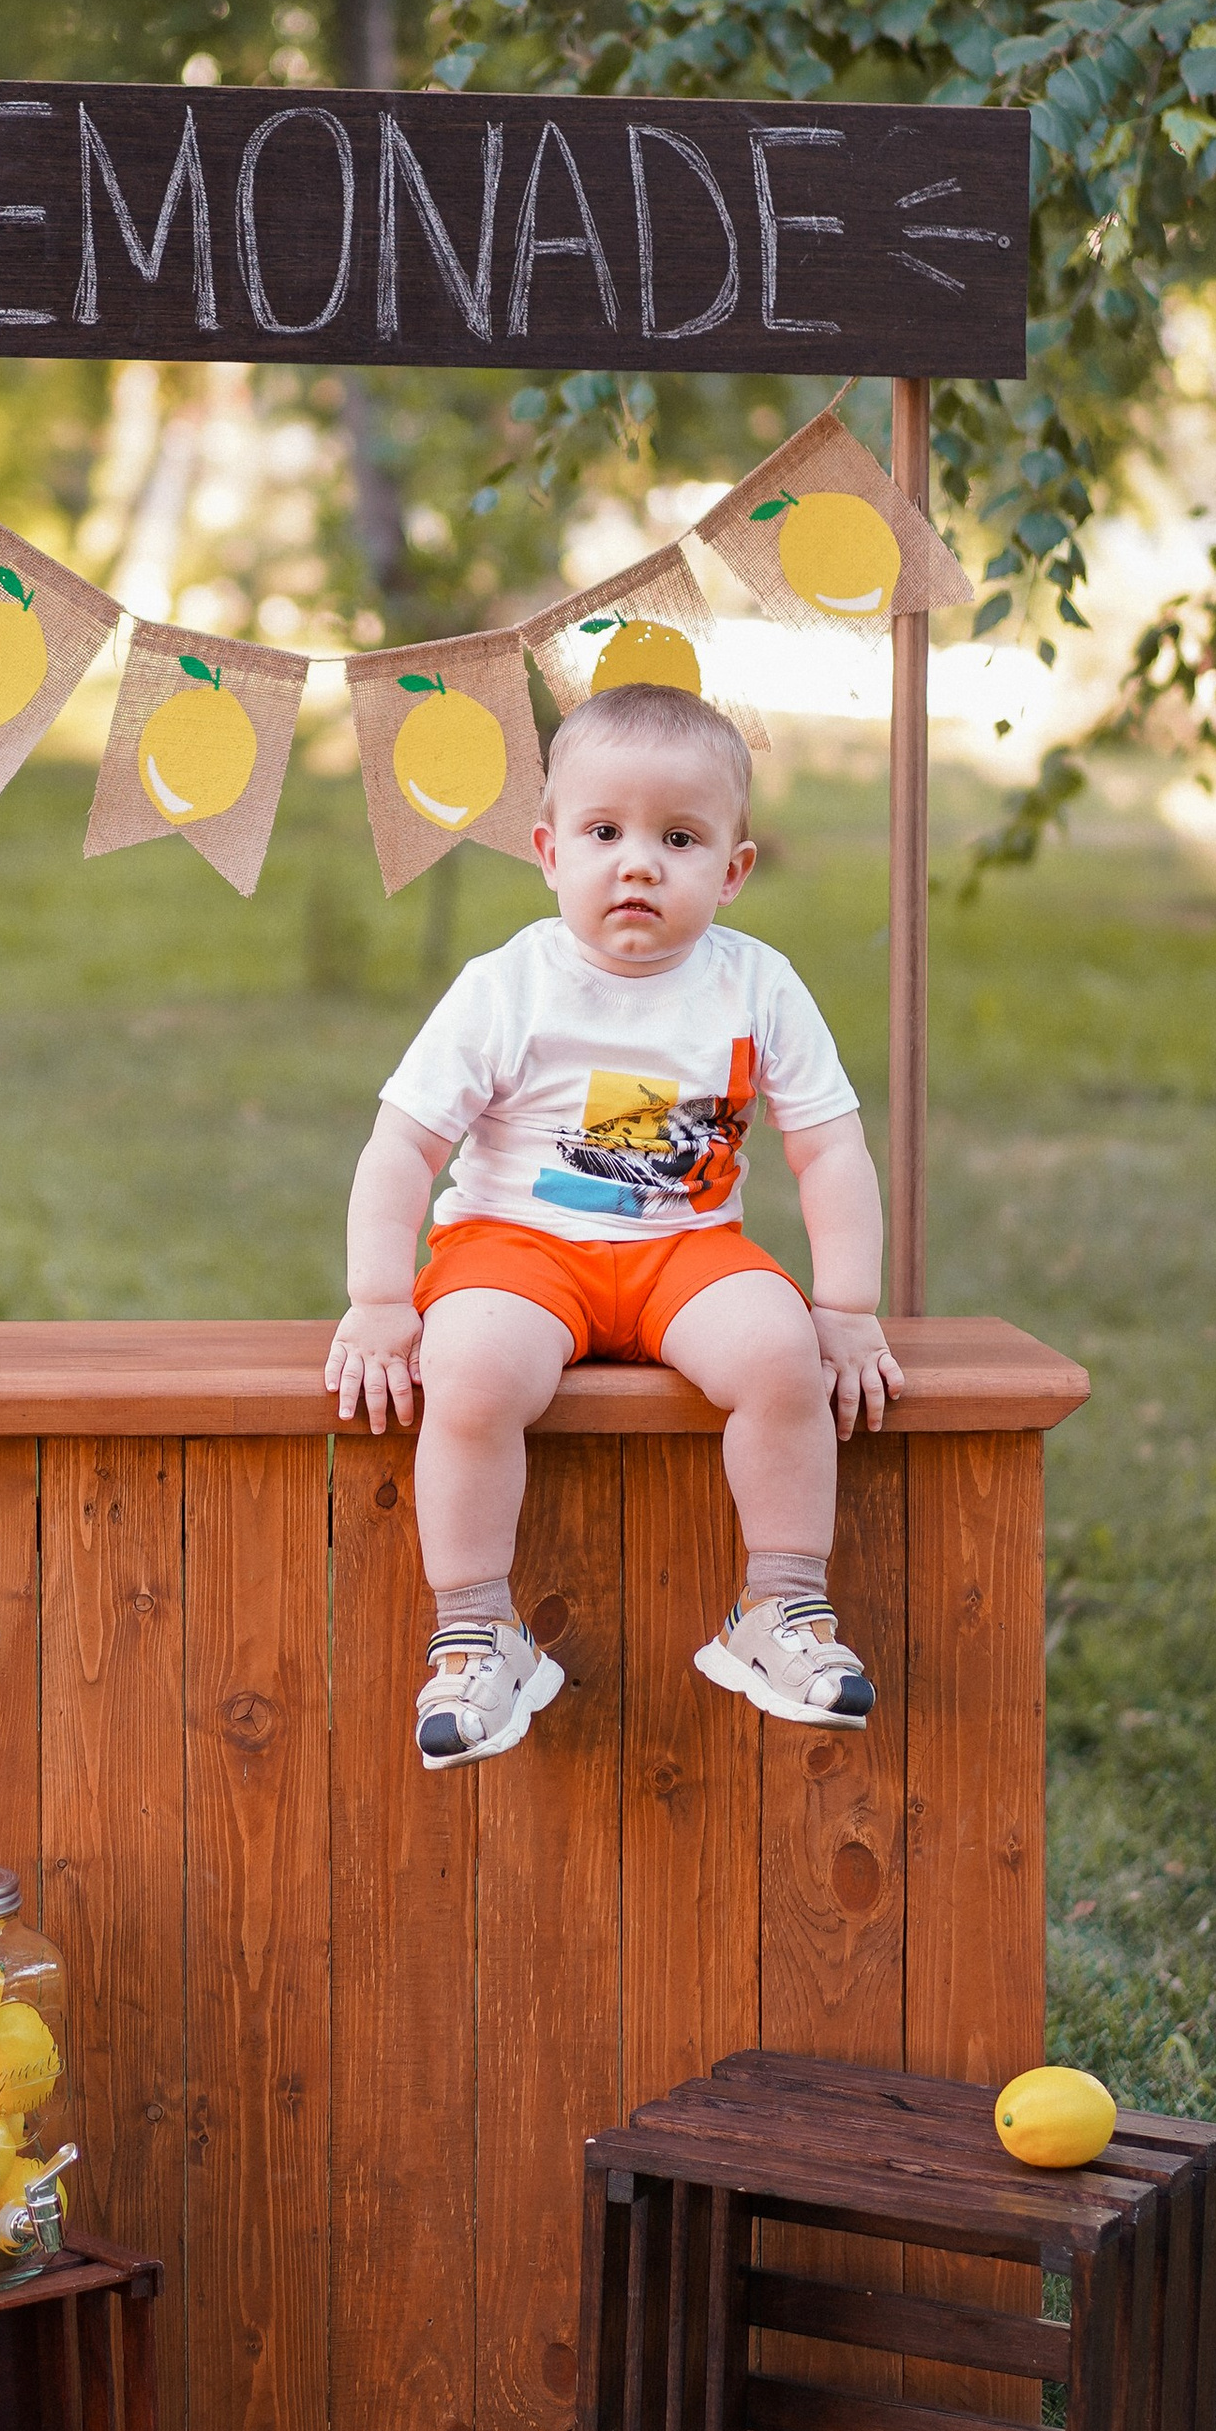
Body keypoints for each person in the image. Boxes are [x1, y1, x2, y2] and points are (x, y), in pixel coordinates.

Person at [326, 681, 902, 1770]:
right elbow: (403, 1144)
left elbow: (827, 1148)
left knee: (780, 1353)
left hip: (686, 1251)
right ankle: (474, 1629)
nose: (637, 863)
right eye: (604, 832)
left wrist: (848, 1309)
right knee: (474, 1369)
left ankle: (778, 1609)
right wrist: (374, 1300)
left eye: (678, 838)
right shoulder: (509, 987)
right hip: (516, 1247)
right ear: (548, 852)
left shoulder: (756, 986)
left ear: (733, 870)